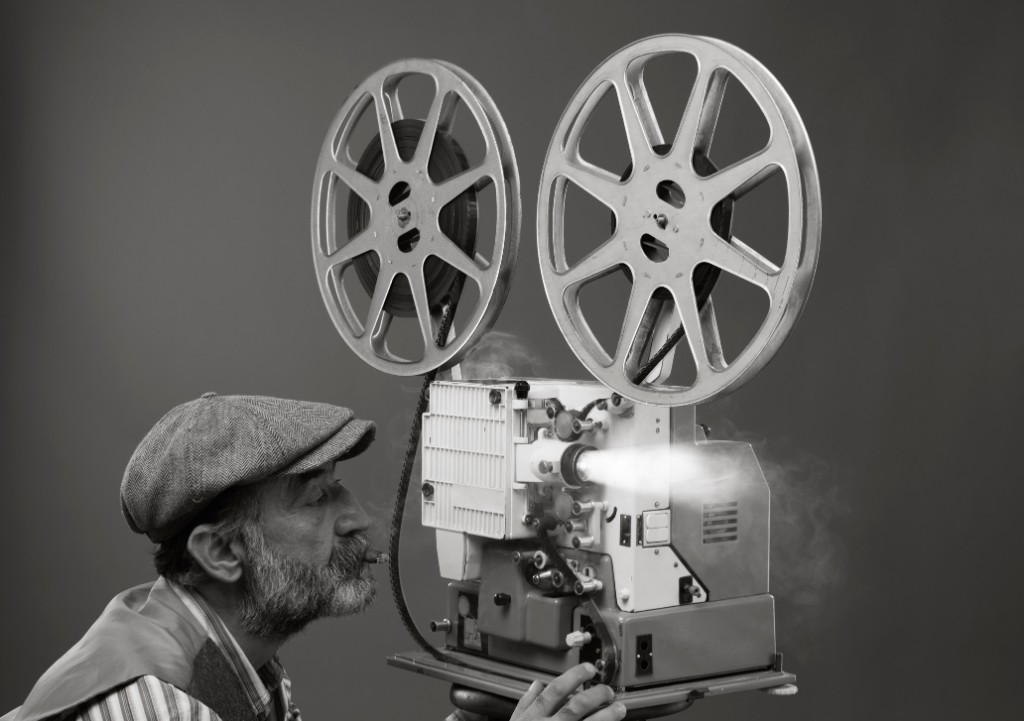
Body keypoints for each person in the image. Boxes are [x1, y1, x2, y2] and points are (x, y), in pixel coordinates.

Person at [3, 393, 626, 721]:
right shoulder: (156, 706)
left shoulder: (234, 660)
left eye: (341, 486)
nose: (357, 517)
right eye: (319, 498)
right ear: (221, 550)